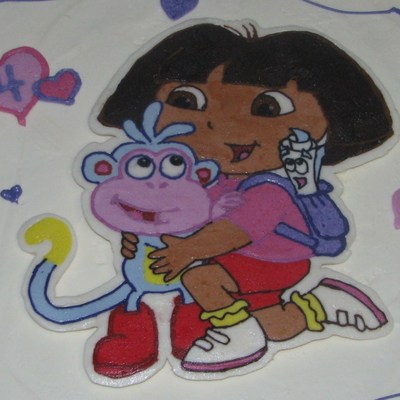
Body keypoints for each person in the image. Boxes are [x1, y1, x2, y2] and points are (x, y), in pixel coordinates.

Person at [98, 22, 393, 374]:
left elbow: (236, 230)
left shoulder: (269, 189)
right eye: (187, 101)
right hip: (234, 263)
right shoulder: (196, 180)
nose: (223, 125)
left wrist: (186, 250)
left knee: (200, 280)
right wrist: (144, 239)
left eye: (267, 108)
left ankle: (236, 335)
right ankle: (319, 304)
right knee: (275, 325)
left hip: (273, 261)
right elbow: (181, 218)